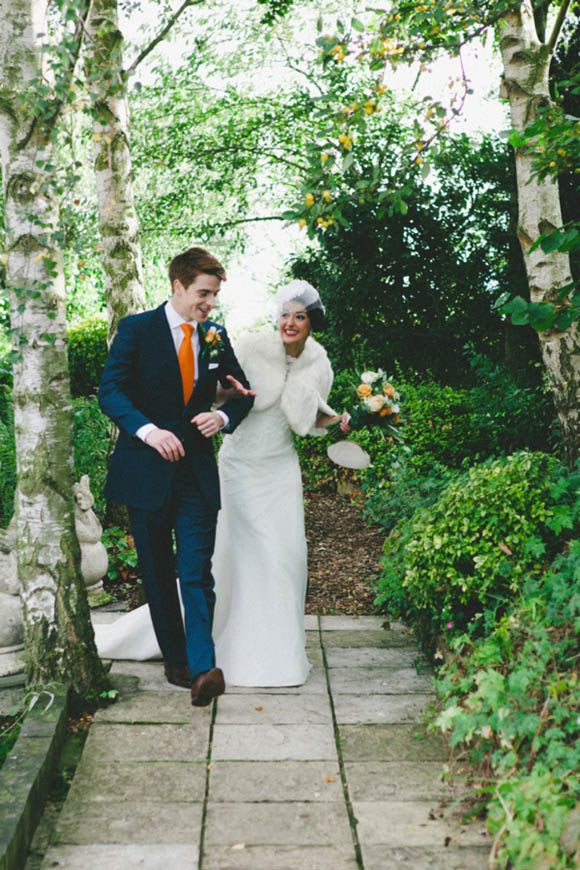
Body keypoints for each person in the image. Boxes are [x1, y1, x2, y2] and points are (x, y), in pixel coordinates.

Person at [95, 278, 346, 688]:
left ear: (311, 322)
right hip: (239, 466)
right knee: (225, 558)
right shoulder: (247, 346)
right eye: (284, 314)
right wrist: (222, 403)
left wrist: (344, 420)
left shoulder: (319, 364)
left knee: (285, 560)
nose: (289, 322)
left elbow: (311, 416)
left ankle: (276, 654)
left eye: (299, 316)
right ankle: (202, 654)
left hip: (280, 468)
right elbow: (208, 391)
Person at [97, 246, 254, 707]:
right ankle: (178, 661)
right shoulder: (137, 330)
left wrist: (221, 418)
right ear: (178, 286)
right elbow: (111, 391)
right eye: (203, 294)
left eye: (215, 295)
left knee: (196, 571)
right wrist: (149, 432)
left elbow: (242, 394)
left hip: (196, 475)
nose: (210, 304)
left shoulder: (215, 336)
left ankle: (205, 668)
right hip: (145, 472)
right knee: (158, 572)